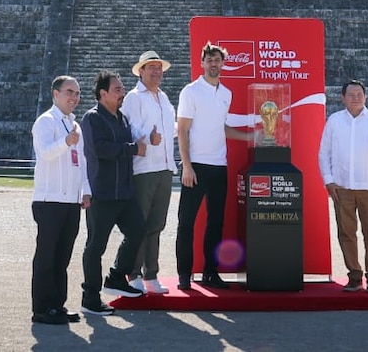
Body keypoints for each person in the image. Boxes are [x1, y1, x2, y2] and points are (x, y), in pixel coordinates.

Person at [175, 42, 256, 290]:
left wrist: (249, 137)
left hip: (219, 166)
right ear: (202, 63)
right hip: (196, 166)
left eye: (217, 59)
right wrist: (186, 167)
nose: (213, 63)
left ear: (223, 63)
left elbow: (222, 127)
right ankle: (184, 275)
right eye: (209, 59)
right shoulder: (191, 91)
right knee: (186, 221)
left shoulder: (226, 94)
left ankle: (211, 273)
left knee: (216, 222)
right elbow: (183, 129)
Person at [78, 70, 147, 316]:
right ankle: (90, 298)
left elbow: (132, 143)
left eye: (122, 88)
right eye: (117, 89)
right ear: (102, 93)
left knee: (138, 229)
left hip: (124, 194)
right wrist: (132, 149)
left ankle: (116, 277)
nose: (122, 92)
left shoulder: (123, 119)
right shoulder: (92, 118)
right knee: (95, 247)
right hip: (102, 194)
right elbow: (101, 149)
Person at [318, 80, 368, 293]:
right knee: (346, 233)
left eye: (359, 94)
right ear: (342, 98)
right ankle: (354, 275)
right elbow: (324, 152)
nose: (355, 98)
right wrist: (328, 179)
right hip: (341, 186)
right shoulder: (335, 120)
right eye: (350, 94)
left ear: (366, 96)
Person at [30, 75, 90, 325]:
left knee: (62, 256)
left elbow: (82, 162)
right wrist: (65, 142)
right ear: (55, 94)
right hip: (49, 200)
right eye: (69, 92)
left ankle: (58, 304)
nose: (73, 97)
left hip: (71, 201)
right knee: (47, 255)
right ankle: (42, 308)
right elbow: (44, 153)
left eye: (77, 93)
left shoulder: (74, 125)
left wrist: (86, 190)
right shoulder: (46, 121)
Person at [120, 51, 176, 295]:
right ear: (140, 71)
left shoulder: (164, 98)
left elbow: (169, 130)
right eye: (150, 67)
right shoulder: (133, 98)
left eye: (158, 67)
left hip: (164, 168)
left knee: (157, 224)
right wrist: (148, 138)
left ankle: (151, 274)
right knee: (139, 224)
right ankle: (133, 274)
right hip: (144, 169)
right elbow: (129, 129)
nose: (156, 71)